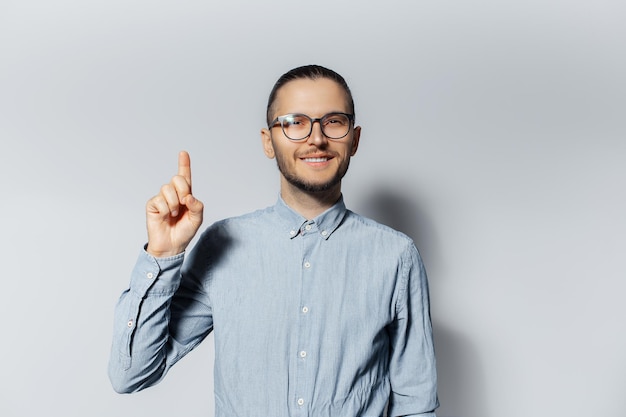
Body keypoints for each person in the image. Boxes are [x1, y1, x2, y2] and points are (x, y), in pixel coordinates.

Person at [108, 64, 439, 416]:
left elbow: (415, 405)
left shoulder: (396, 256)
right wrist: (163, 253)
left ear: (354, 139)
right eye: (295, 122)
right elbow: (130, 374)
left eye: (333, 121)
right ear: (269, 141)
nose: (316, 138)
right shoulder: (223, 243)